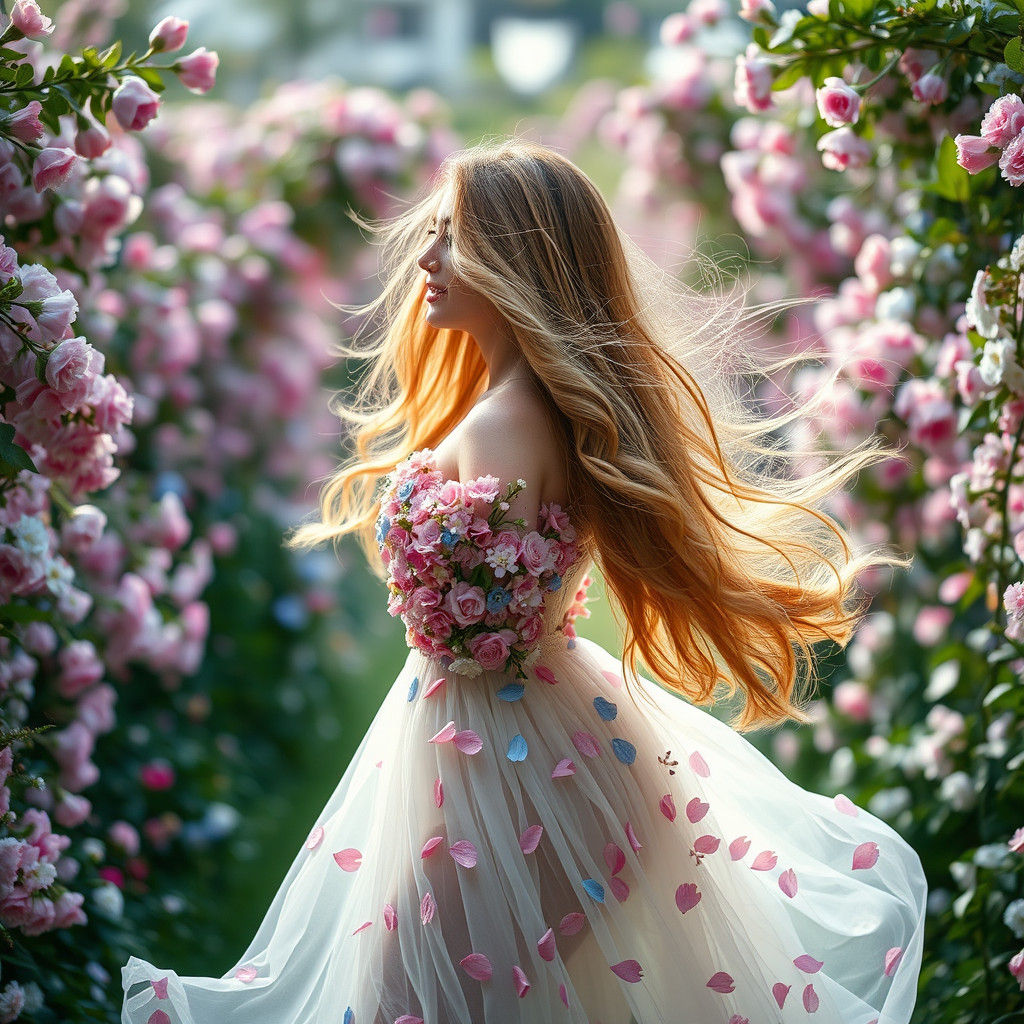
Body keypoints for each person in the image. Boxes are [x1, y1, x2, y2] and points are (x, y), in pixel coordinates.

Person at [120, 137, 928, 1024]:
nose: (424, 259)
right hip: (533, 756)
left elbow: (476, 630)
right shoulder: (521, 410)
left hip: (520, 770)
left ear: (517, 258)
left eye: (451, 238)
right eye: (430, 233)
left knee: (408, 1000)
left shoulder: (510, 425)